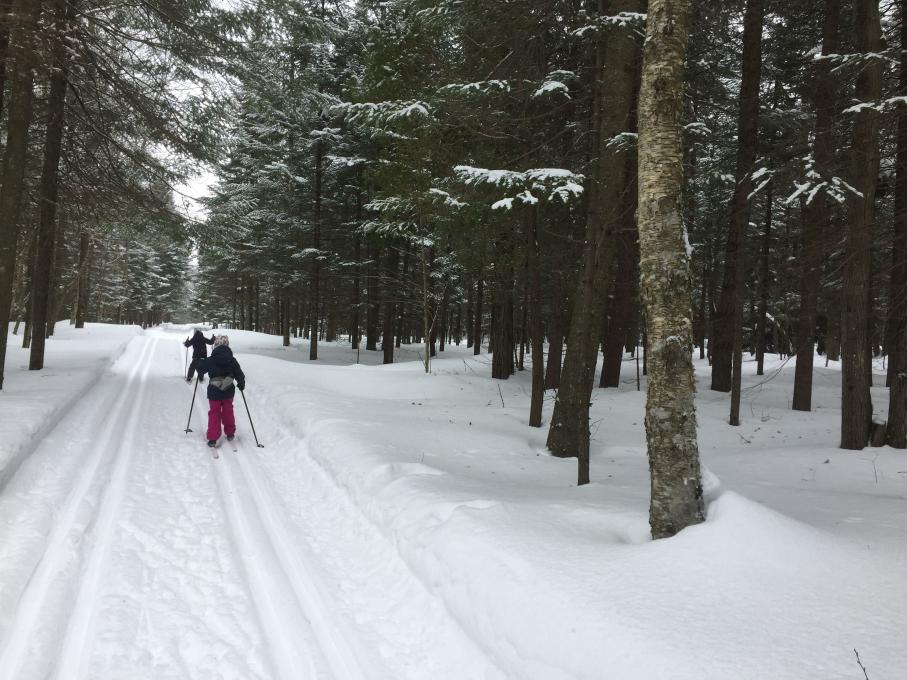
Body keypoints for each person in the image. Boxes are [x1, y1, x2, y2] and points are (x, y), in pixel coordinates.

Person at [198, 335, 245, 447]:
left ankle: (213, 438)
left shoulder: (211, 359)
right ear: (227, 345)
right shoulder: (232, 360)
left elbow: (201, 368)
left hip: (214, 391)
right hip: (228, 390)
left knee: (215, 413)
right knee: (228, 411)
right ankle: (230, 433)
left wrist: (200, 365)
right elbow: (239, 373)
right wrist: (241, 383)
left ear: (215, 346)